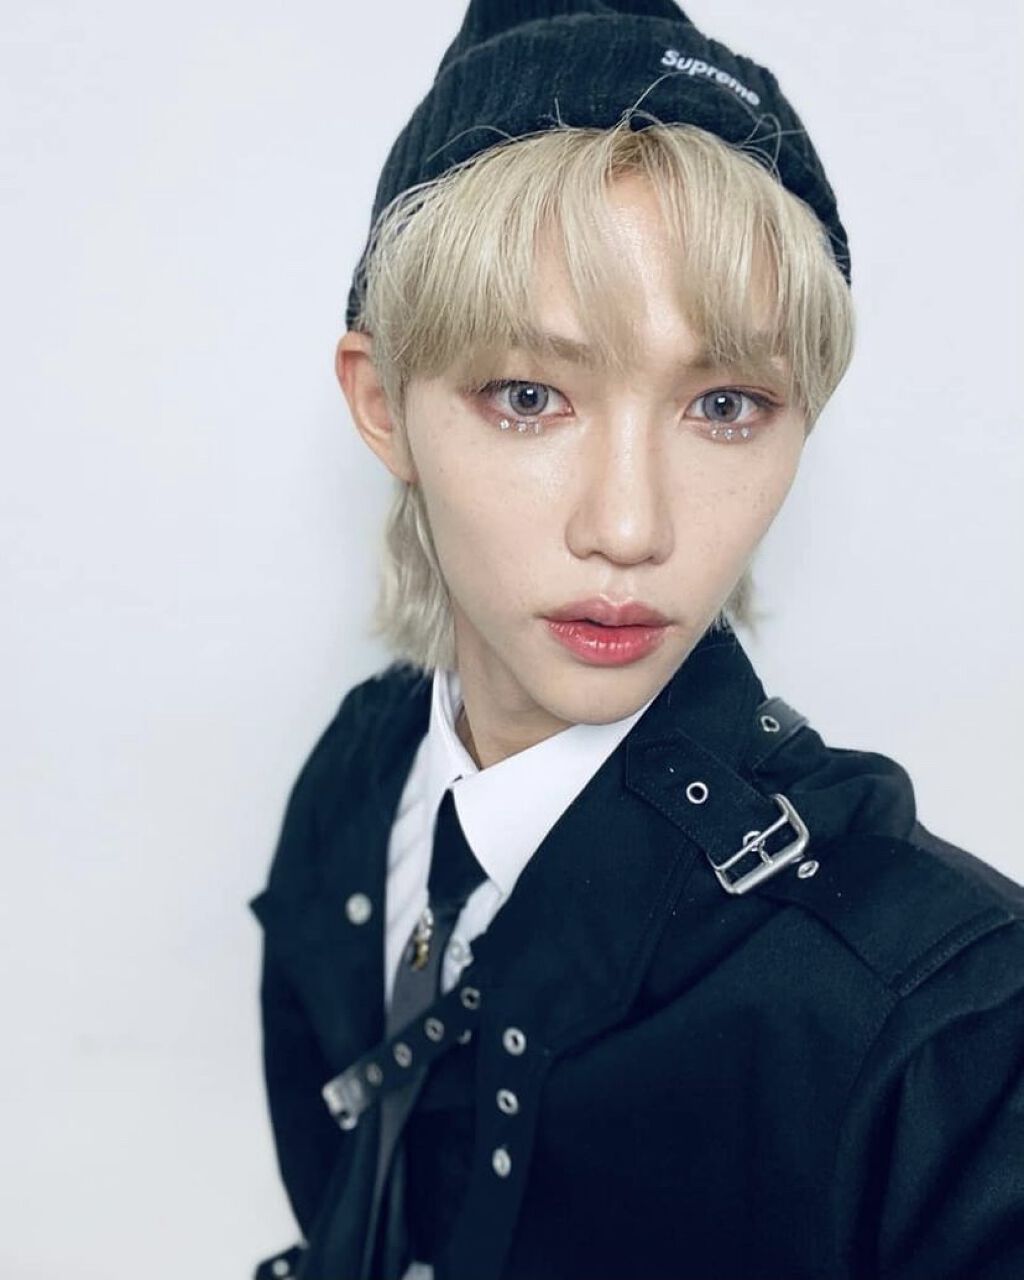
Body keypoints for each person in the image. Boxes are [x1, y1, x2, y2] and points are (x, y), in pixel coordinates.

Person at [249, 2, 1024, 1278]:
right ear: (382, 404)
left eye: (725, 404)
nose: (628, 525)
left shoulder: (955, 1030)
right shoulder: (355, 778)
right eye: (529, 395)